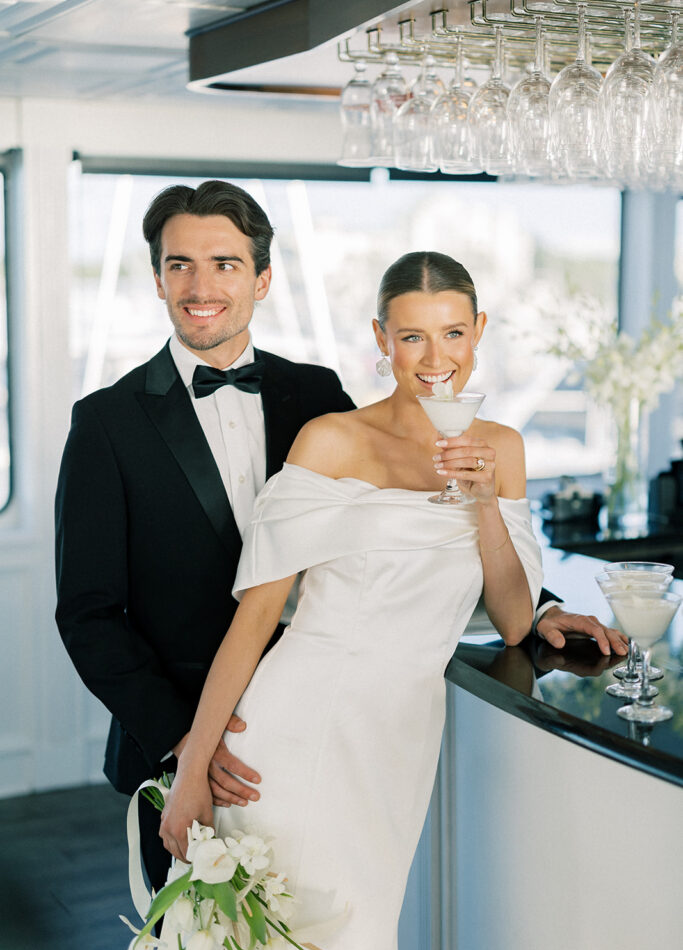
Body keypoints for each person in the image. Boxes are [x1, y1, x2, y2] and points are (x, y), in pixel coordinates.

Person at [54, 180, 625, 908]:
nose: (201, 286)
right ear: (159, 276)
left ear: (261, 278)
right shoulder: (105, 422)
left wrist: (538, 608)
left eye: (225, 264)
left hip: (349, 724)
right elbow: (88, 614)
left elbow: (393, 523)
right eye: (180, 265)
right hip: (181, 732)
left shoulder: (313, 392)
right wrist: (185, 747)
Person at [154, 252, 610, 950]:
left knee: (354, 938)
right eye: (411, 338)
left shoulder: (501, 446)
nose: (436, 360)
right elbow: (257, 619)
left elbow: (508, 616)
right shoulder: (332, 440)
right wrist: (194, 762)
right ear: (380, 338)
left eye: (453, 333)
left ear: (479, 333)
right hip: (294, 735)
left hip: (396, 737)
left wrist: (482, 503)